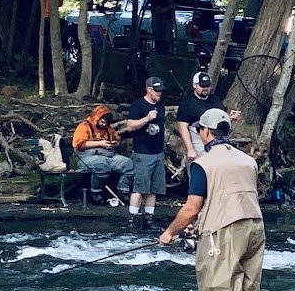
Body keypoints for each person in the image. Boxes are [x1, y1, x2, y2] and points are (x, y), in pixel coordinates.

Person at [159, 107, 263, 291]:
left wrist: (170, 233)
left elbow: (191, 208)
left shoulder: (203, 164)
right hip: (255, 227)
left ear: (205, 132)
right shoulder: (248, 161)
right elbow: (232, 195)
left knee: (219, 288)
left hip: (223, 231)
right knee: (246, 289)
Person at [121, 76, 169, 221]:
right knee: (140, 187)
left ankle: (149, 217)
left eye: (160, 91)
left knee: (154, 188)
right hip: (142, 152)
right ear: (148, 89)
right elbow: (129, 126)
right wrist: (147, 119)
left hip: (158, 152)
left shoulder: (160, 105)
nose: (159, 93)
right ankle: (132, 217)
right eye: (156, 90)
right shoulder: (138, 105)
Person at [71, 103, 132, 206]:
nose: (104, 125)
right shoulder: (84, 126)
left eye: (106, 123)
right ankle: (95, 193)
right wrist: (100, 143)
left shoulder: (108, 129)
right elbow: (80, 144)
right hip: (87, 158)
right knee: (101, 165)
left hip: (109, 156)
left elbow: (117, 139)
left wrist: (114, 144)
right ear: (96, 118)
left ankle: (123, 191)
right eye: (102, 122)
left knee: (128, 164)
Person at [176, 69, 223, 164]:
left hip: (217, 140)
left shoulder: (216, 100)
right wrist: (190, 149)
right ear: (194, 85)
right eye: (202, 85)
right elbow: (182, 127)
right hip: (198, 141)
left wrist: (230, 117)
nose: (205, 88)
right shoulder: (187, 103)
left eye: (207, 85)